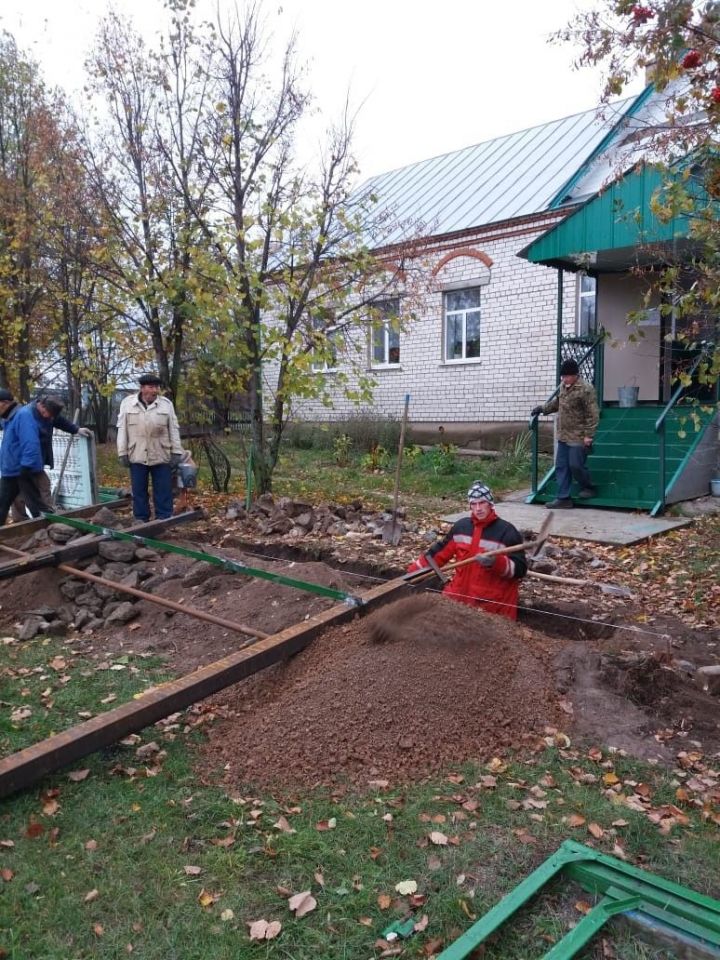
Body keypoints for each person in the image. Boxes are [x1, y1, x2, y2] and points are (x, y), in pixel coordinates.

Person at [406, 482, 527, 621]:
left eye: (482, 503)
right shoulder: (462, 527)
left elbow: (520, 569)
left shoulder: (507, 532)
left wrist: (496, 562)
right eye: (473, 504)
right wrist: (412, 572)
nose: (478, 508)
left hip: (490, 606)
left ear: (490, 504)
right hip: (458, 596)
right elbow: (438, 553)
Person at [10, 396, 93, 521]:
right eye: (46, 414)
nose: (48, 417)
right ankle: (20, 521)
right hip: (20, 461)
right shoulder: (25, 416)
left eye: (51, 416)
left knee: (44, 484)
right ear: (41, 405)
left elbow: (60, 421)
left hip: (35, 461)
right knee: (18, 492)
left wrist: (76, 429)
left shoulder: (49, 413)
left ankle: (47, 516)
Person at [531, 358, 599, 509]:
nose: (564, 379)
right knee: (561, 466)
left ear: (575, 375)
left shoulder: (586, 389)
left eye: (567, 376)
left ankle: (588, 487)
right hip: (563, 434)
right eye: (563, 376)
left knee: (575, 465)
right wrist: (542, 409)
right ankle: (563, 498)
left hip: (578, 435)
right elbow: (557, 403)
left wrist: (589, 435)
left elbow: (592, 414)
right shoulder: (563, 386)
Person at [117, 373, 183, 523]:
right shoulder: (127, 404)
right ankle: (141, 520)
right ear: (142, 388)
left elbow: (173, 429)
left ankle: (164, 519)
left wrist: (176, 451)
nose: (155, 391)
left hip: (161, 453)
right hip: (137, 454)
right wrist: (122, 452)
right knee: (139, 491)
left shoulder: (166, 404)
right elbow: (122, 430)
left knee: (163, 490)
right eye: (151, 387)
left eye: (157, 387)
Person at [0, 397, 54, 525]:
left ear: (5, 403)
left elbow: (31, 443)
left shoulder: (22, 415)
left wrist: (26, 466)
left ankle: (53, 529)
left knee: (36, 505)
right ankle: (49, 527)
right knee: (33, 504)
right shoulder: (9, 417)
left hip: (20, 470)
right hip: (13, 471)